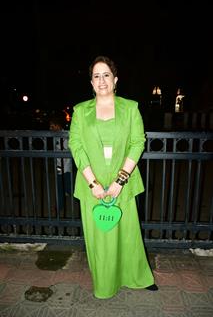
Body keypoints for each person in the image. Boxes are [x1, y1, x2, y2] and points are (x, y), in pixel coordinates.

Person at [68, 55, 158, 299]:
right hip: (91, 184)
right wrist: (93, 183)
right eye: (96, 76)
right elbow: (76, 146)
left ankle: (137, 277)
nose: (101, 80)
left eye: (106, 74)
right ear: (91, 83)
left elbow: (138, 143)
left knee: (128, 233)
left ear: (115, 79)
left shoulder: (130, 108)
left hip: (123, 183)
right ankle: (105, 284)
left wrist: (120, 180)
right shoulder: (79, 111)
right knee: (100, 237)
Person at [49, 117, 71, 214]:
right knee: (60, 188)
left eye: (52, 126)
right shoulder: (55, 136)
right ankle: (59, 207)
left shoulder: (66, 135)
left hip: (65, 167)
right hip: (58, 166)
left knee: (68, 187)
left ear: (58, 125)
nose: (50, 128)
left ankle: (81, 202)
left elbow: (68, 151)